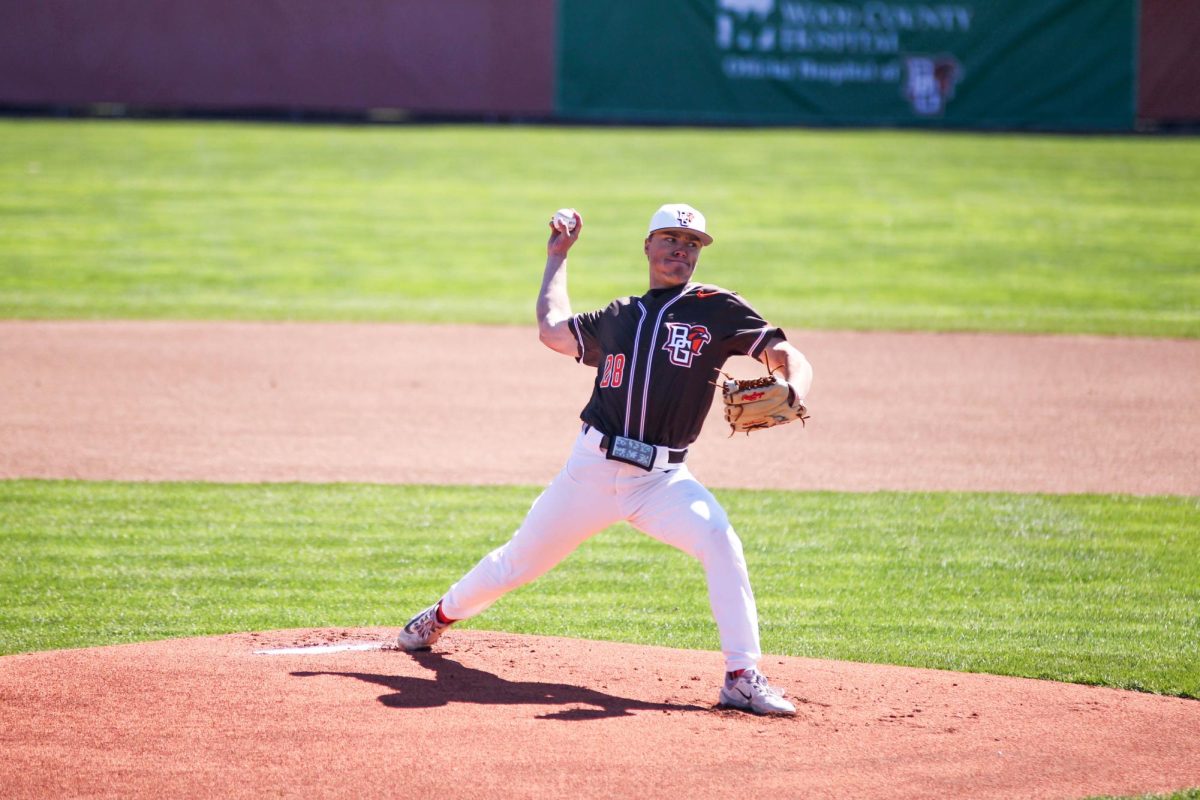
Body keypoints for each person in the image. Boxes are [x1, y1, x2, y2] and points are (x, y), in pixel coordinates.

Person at [397, 203, 813, 716]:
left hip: (662, 481)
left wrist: (793, 385)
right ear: (647, 246)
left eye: (692, 243)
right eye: (669, 238)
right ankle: (438, 616)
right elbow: (552, 330)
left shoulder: (717, 308)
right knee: (516, 563)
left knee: (719, 539)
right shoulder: (617, 316)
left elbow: (785, 353)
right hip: (590, 471)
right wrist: (556, 258)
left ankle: (741, 676)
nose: (681, 249)